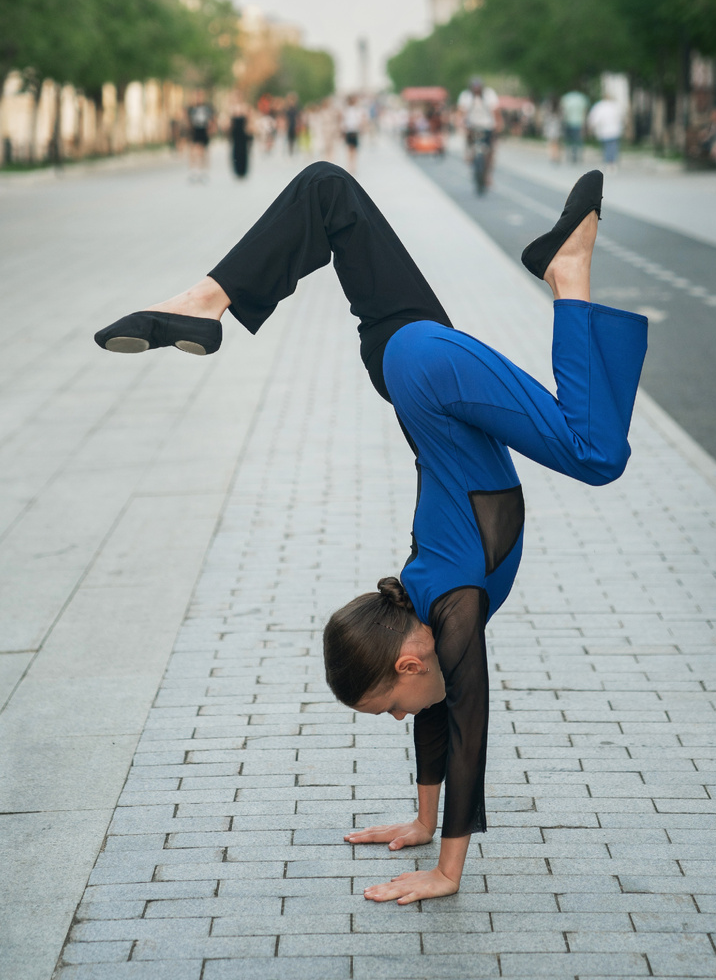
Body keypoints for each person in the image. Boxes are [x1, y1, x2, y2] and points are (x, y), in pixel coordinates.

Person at [94, 160, 647, 904]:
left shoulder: (453, 606)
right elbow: (440, 714)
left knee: (597, 455)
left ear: (408, 661)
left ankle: (567, 270)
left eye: (387, 703)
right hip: (402, 360)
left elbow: (468, 728)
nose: (397, 716)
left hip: (428, 375)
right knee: (330, 191)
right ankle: (206, 300)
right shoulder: (424, 612)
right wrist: (422, 822)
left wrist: (447, 873)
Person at [457, 77, 500, 186]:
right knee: (469, 142)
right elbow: (461, 112)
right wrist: (460, 123)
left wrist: (498, 124)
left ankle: (488, 173)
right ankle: (469, 156)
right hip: (472, 126)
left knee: (491, 148)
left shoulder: (489, 95)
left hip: (487, 126)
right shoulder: (466, 96)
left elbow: (495, 111)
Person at [588, 91, 625, 169]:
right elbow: (621, 117)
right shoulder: (616, 106)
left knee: (606, 147)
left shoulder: (599, 106)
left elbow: (594, 118)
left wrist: (592, 126)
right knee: (613, 147)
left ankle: (608, 161)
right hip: (615, 130)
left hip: (603, 130)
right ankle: (612, 162)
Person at [186, 93, 215, 182]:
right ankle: (194, 171)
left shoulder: (207, 108)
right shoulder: (191, 108)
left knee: (204, 152)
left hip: (204, 130)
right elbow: (188, 120)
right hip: (195, 131)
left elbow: (212, 120)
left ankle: (204, 172)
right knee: (194, 151)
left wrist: (211, 130)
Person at [560, 89, 589, 163]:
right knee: (578, 140)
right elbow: (584, 111)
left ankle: (569, 155)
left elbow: (563, 111)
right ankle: (577, 156)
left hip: (568, 122)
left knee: (569, 140)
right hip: (579, 122)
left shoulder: (566, 98)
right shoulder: (582, 98)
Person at [229, 100, 253, 180]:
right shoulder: (232, 116)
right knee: (236, 154)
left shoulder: (245, 116)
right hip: (236, 137)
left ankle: (243, 171)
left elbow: (249, 127)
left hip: (243, 138)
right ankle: (237, 171)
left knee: (243, 154)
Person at [342, 95, 364, 172]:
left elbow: (360, 120)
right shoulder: (347, 110)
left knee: (353, 149)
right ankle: (351, 165)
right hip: (350, 130)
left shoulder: (356, 110)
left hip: (353, 130)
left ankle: (353, 165)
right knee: (350, 149)